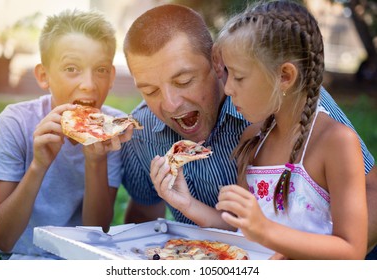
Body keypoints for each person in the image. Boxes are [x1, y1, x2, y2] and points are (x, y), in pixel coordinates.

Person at [121, 4, 377, 257]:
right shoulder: (252, 140)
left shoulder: (317, 122)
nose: (170, 103)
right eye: (150, 90)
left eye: (185, 81)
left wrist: (280, 247)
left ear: (216, 64)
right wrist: (186, 204)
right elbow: (234, 225)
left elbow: (356, 231)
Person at [0, 9, 133, 259]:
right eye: (72, 68)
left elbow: (96, 235)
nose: (88, 83)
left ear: (110, 77)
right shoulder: (15, 122)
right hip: (25, 257)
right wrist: (38, 166)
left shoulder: (114, 129)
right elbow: (1, 238)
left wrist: (95, 162)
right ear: (44, 76)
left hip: (83, 258)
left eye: (100, 69)